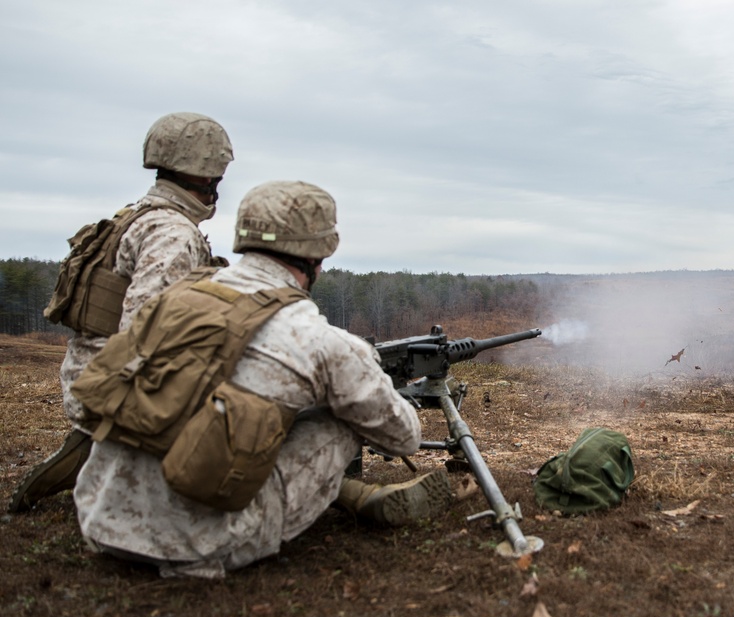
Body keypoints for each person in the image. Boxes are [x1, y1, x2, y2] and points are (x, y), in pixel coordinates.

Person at [72, 180, 452, 579]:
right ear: (318, 256)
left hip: (100, 518)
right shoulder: (319, 339)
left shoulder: (179, 296)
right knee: (343, 421)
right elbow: (403, 438)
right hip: (195, 546)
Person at [8, 111, 234, 512]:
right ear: (207, 172)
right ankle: (103, 450)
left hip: (90, 380)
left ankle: (101, 448)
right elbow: (147, 336)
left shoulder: (134, 217)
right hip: (115, 396)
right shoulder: (173, 234)